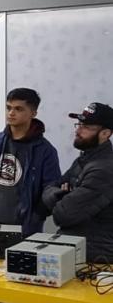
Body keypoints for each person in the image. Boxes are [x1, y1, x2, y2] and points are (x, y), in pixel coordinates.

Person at [0, 87, 61, 236]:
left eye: (18, 109)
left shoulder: (45, 151)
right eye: (8, 108)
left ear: (33, 113)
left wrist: (36, 216)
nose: (11, 113)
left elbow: (51, 190)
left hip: (25, 230)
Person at [43, 103, 113, 263]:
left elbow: (64, 215)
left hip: (96, 260)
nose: (78, 130)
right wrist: (63, 196)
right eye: (79, 124)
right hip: (76, 251)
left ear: (105, 133)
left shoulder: (103, 170)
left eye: (86, 127)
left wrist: (61, 198)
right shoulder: (83, 160)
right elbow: (49, 189)